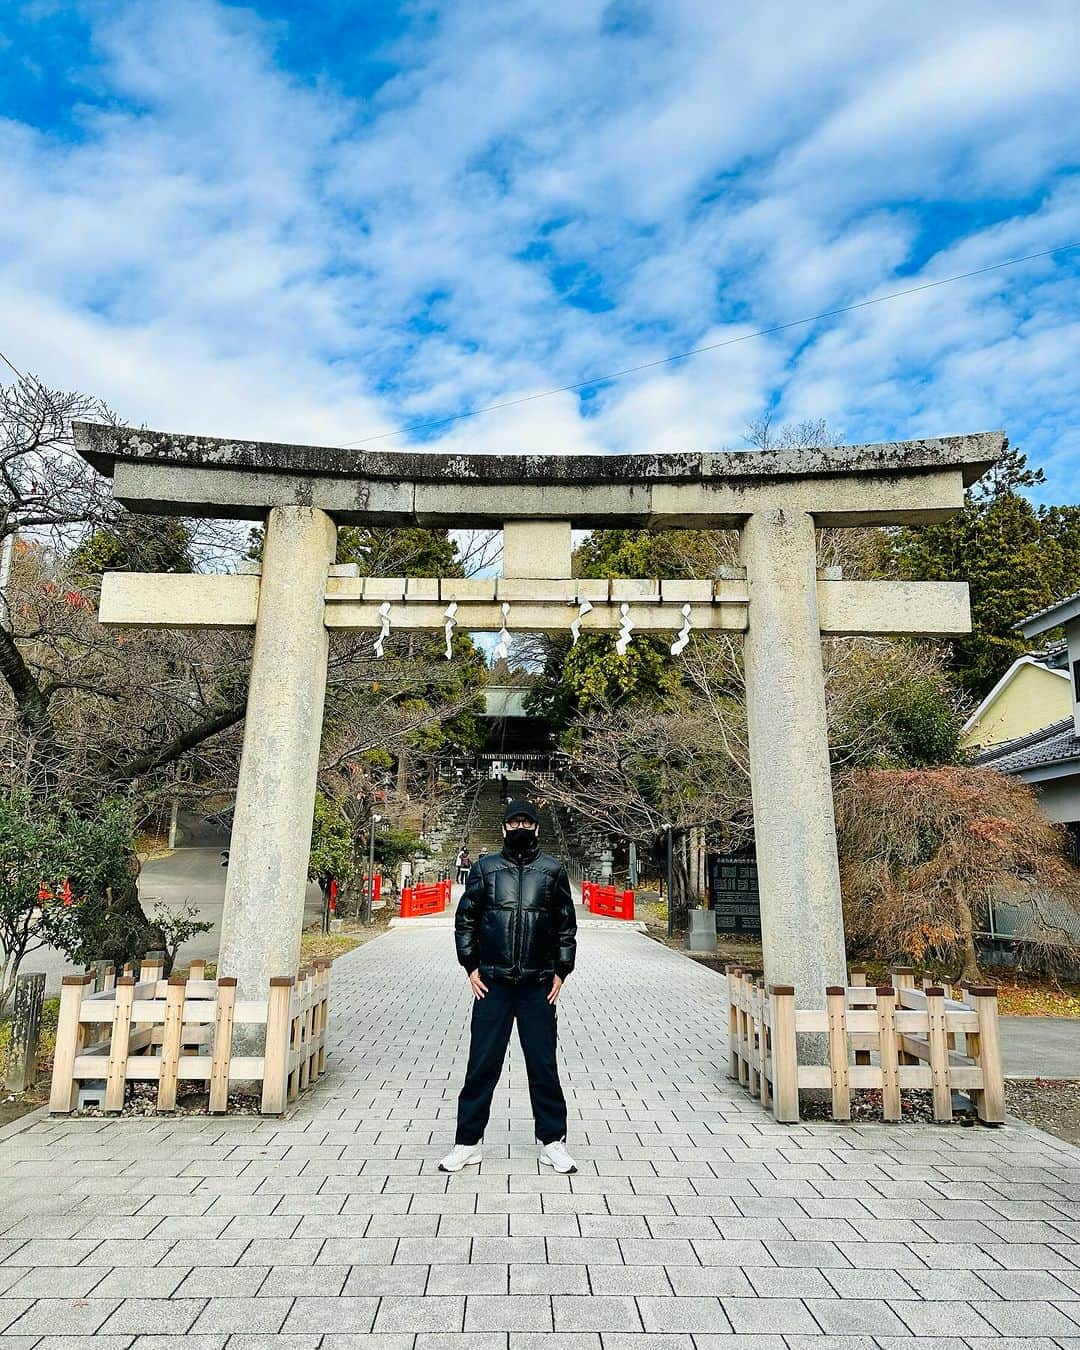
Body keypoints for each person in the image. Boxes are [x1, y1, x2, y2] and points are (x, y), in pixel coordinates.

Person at [440, 800, 578, 1175]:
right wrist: (470, 967)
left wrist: (561, 971)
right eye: (513, 821)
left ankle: (553, 1141)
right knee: (482, 1062)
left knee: (543, 1063)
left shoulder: (552, 871)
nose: (519, 827)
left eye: (526, 822)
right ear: (503, 828)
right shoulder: (485, 869)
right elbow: (465, 919)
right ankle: (467, 1142)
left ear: (536, 828)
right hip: (493, 983)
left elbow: (566, 925)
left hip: (538, 984)